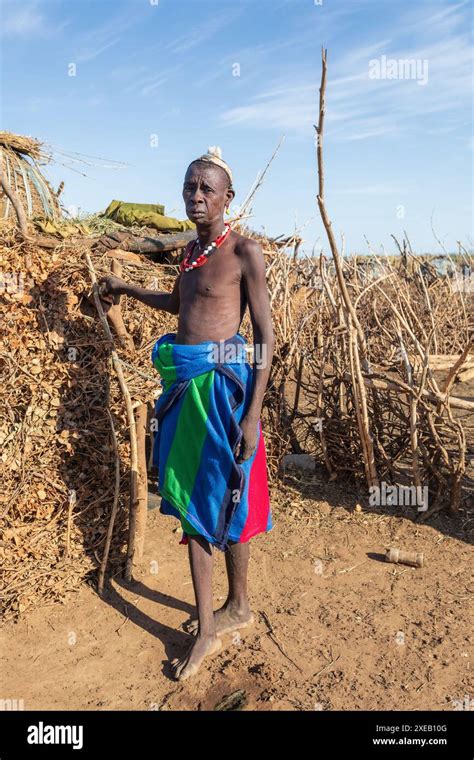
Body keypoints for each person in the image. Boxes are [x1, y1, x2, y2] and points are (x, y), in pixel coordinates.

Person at [99, 147, 274, 680]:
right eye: (189, 188)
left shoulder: (245, 252)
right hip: (184, 389)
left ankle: (226, 616)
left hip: (223, 392)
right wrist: (127, 289)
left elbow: (266, 339)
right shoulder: (192, 254)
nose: (196, 197)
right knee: (195, 502)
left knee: (228, 502)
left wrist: (251, 415)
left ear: (228, 197)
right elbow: (181, 306)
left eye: (206, 189)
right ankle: (211, 622)